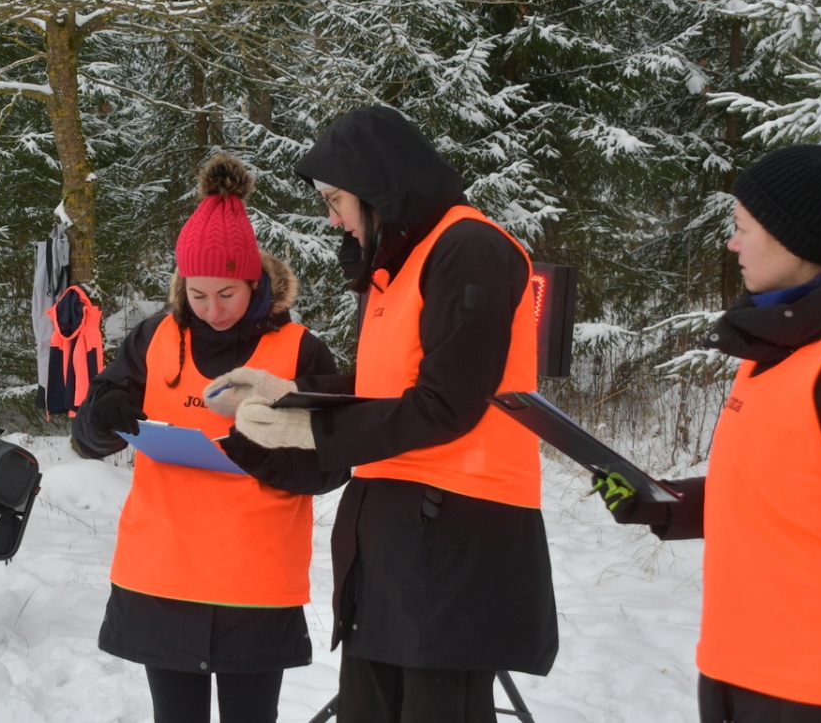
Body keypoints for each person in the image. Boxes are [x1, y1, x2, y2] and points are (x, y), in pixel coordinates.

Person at [216, 106, 558, 723]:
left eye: (336, 200)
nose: (332, 218)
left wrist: (310, 428)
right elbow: (385, 386)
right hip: (392, 531)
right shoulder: (397, 267)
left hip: (457, 540)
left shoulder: (469, 248)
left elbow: (448, 402)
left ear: (377, 187)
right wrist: (290, 393)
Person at [593, 144, 821, 723]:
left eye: (743, 228)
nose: (731, 244)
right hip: (744, 673)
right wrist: (661, 503)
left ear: (794, 240)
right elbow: (784, 491)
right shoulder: (784, 342)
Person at [71, 154, 345, 723]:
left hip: (254, 583)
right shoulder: (154, 337)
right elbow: (86, 439)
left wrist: (260, 455)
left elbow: (333, 463)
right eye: (198, 295)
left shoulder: (300, 351)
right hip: (162, 574)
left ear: (254, 283)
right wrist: (102, 420)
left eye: (227, 294)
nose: (212, 310)